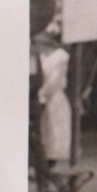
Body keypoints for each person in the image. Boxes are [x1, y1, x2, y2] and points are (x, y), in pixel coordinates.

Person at [32, 21, 71, 172]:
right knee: (44, 132)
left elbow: (55, 80)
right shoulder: (40, 57)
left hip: (53, 96)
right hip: (42, 96)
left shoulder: (60, 57)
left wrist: (43, 93)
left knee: (54, 131)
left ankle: (49, 166)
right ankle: (42, 166)